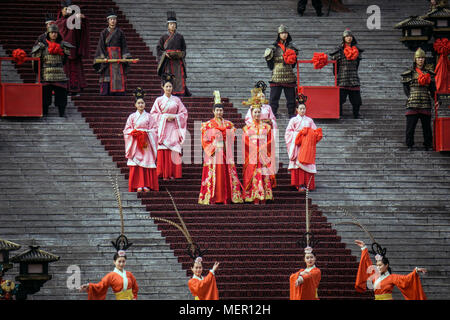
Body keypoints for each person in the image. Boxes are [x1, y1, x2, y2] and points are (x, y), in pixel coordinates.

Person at [198, 91, 243, 205]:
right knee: (215, 175)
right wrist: (214, 145)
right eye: (217, 110)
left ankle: (227, 197)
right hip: (213, 154)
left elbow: (233, 137)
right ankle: (213, 197)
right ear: (213, 111)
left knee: (226, 174)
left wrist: (226, 137)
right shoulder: (207, 125)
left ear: (223, 111)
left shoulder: (228, 124)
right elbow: (204, 140)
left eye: (221, 110)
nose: (219, 112)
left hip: (225, 152)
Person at [354, 240, 427, 300]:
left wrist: (416, 271)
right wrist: (364, 248)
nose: (378, 267)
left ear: (386, 265)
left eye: (380, 265)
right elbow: (367, 262)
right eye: (377, 266)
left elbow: (406, 279)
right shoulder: (375, 275)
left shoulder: (392, 277)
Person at [150, 74, 188, 180]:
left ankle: (173, 173)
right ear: (162, 87)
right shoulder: (158, 100)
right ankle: (163, 173)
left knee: (174, 149)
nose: (168, 88)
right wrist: (165, 117)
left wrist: (175, 117)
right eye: (166, 86)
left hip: (174, 127)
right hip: (163, 127)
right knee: (164, 148)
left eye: (170, 86)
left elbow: (184, 113)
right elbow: (153, 115)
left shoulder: (177, 100)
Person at [31, 23, 73, 117]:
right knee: (45, 95)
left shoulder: (63, 45)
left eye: (55, 32)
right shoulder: (41, 46)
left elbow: (65, 61)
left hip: (59, 73)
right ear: (48, 33)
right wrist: (38, 73)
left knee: (62, 94)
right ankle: (45, 112)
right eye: (52, 32)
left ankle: (61, 112)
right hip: (46, 73)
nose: (54, 34)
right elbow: (36, 62)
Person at [123, 87, 159, 193]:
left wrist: (147, 133)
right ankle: (138, 184)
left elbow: (155, 129)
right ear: (135, 105)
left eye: (142, 103)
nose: (140, 105)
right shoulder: (132, 117)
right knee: (137, 165)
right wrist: (134, 133)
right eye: (138, 103)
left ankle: (146, 184)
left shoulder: (149, 116)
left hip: (146, 142)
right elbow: (126, 130)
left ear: (145, 104)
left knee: (146, 162)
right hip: (135, 143)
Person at [285, 95, 323, 192]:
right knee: (298, 162)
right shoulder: (293, 120)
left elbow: (315, 132)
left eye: (304, 108)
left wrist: (310, 134)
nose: (302, 110)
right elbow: (288, 133)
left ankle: (307, 184)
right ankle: (299, 184)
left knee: (306, 162)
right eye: (300, 108)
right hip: (297, 144)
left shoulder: (309, 120)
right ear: (296, 109)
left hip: (306, 144)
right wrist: (299, 134)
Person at [401, 48, 436, 152]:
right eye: (418, 58)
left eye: (422, 58)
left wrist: (436, 100)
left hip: (425, 101)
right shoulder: (409, 73)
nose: (420, 60)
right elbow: (406, 89)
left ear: (424, 59)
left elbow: (433, 89)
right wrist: (412, 96)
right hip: (413, 101)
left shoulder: (429, 73)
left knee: (427, 127)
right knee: (410, 127)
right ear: (415, 59)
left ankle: (428, 144)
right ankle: (409, 144)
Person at [242, 99, 276, 204]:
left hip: (263, 154)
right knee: (252, 173)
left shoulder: (267, 127)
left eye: (258, 112)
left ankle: (265, 195)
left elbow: (271, 141)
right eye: (255, 112)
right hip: (252, 154)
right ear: (251, 114)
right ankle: (252, 196)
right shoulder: (246, 128)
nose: (257, 114)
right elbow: (245, 142)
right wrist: (254, 149)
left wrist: (262, 148)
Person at [93, 8, 132, 96]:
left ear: (116, 20)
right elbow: (101, 46)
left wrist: (124, 56)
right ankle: (106, 91)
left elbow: (124, 46)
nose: (113, 21)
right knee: (107, 75)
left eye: (114, 19)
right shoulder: (103, 33)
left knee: (118, 74)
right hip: (108, 56)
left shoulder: (120, 32)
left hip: (118, 56)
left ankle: (119, 91)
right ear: (108, 20)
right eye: (111, 19)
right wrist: (103, 57)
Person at [264, 25, 299, 119]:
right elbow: (270, 64)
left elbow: (294, 64)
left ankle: (291, 113)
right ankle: (273, 114)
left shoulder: (292, 47)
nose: (284, 35)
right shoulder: (273, 47)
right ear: (279, 34)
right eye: (282, 33)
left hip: (289, 75)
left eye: (285, 33)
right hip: (277, 74)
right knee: (274, 98)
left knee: (291, 98)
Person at [55, 0, 89, 96]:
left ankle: (75, 89)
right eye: (66, 9)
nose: (68, 11)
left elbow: (79, 31)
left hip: (73, 50)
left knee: (74, 71)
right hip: (62, 53)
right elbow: (63, 26)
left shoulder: (73, 20)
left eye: (69, 9)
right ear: (61, 11)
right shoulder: (58, 22)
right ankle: (62, 89)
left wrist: (82, 20)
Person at [329, 28, 364, 119]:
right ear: (343, 38)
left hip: (353, 77)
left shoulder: (357, 50)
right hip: (342, 77)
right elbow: (335, 65)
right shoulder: (339, 50)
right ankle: (339, 113)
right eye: (347, 36)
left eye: (350, 36)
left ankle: (356, 114)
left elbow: (357, 65)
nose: (349, 38)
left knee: (356, 99)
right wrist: (336, 75)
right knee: (339, 99)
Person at [156, 11, 191, 96]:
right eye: (171, 24)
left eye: (174, 24)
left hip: (178, 62)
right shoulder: (163, 37)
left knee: (179, 78)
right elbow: (159, 49)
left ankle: (180, 93)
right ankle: (168, 93)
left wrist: (181, 54)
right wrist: (165, 54)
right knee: (168, 77)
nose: (173, 26)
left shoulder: (180, 37)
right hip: (168, 62)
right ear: (168, 25)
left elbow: (184, 49)